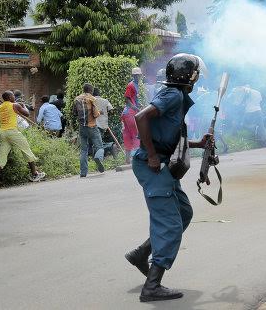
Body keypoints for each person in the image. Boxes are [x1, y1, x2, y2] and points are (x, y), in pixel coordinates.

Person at [125, 54, 211, 303]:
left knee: (183, 213)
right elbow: (141, 118)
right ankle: (152, 286)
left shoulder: (178, 96)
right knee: (170, 224)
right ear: (191, 77)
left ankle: (142, 253)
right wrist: (151, 155)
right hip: (154, 165)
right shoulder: (172, 95)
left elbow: (168, 133)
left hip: (164, 164)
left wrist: (197, 143)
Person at [0, 91, 46, 189]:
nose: (14, 97)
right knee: (26, 150)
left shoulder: (0, 108)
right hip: (12, 132)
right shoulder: (15, 105)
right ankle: (35, 174)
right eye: (13, 95)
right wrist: (22, 105)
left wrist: (18, 108)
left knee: (1, 157)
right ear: (9, 97)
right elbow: (26, 114)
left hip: (2, 133)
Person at [74, 83, 106, 176]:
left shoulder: (76, 99)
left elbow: (74, 113)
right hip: (92, 126)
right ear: (91, 91)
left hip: (82, 128)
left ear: (84, 89)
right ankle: (98, 158)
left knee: (83, 150)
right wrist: (100, 112)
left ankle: (83, 172)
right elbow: (95, 114)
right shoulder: (92, 99)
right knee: (99, 146)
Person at [123, 67, 143, 164]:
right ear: (133, 75)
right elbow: (127, 99)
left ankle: (127, 160)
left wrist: (138, 105)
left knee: (127, 135)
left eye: (138, 75)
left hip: (127, 113)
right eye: (135, 75)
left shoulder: (136, 85)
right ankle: (137, 159)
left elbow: (132, 99)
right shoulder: (131, 85)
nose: (137, 76)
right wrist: (136, 108)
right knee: (136, 134)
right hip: (130, 113)